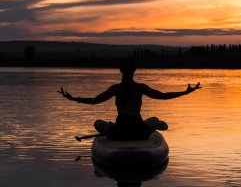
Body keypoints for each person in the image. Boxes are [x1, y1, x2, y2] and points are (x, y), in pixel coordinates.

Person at [58, 59, 201, 140]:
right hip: (140, 132)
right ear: (134, 70)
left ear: (120, 70)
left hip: (118, 132)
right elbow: (162, 96)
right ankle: (160, 125)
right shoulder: (140, 88)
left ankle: (112, 126)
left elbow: (95, 101)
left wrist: (73, 98)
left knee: (98, 123)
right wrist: (185, 92)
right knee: (154, 120)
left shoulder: (115, 89)